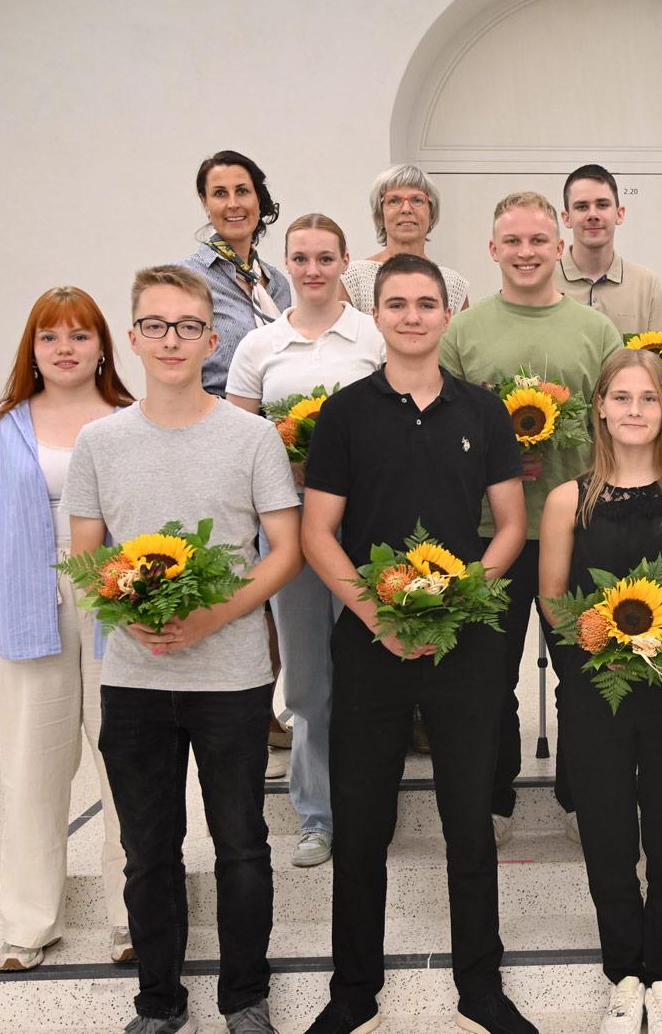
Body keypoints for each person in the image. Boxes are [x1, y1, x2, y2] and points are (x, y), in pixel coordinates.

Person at [300, 253, 535, 1034]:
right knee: (361, 819)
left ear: (446, 314)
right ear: (376, 313)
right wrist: (378, 614)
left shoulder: (482, 410)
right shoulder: (345, 412)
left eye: (425, 303)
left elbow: (509, 527)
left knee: (468, 817)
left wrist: (461, 601)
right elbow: (318, 532)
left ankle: (480, 985)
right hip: (371, 643)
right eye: (396, 302)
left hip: (463, 642)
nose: (411, 315)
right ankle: (353, 987)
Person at [64, 265, 303, 1034]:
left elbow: (284, 551)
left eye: (189, 326)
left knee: (240, 843)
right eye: (157, 325)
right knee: (148, 850)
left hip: (231, 676)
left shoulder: (252, 436)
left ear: (211, 339)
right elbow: (88, 555)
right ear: (132, 338)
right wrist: (128, 616)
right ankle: (160, 1002)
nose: (173, 340)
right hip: (134, 680)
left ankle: (245, 996)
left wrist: (209, 620)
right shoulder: (99, 443)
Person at [539, 349, 662, 1034]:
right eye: (622, 397)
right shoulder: (569, 499)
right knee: (610, 837)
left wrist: (661, 641)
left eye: (649, 399)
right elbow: (552, 596)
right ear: (601, 408)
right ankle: (624, 973)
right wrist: (602, 646)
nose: (635, 411)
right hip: (596, 691)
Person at [0, 287, 135, 972]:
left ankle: (135, 917)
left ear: (102, 346)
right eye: (50, 337)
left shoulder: (131, 419)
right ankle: (29, 925)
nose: (65, 348)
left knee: (129, 774)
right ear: (32, 349)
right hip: (22, 612)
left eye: (79, 335)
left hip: (117, 615)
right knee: (29, 774)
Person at [439, 191, 625, 846]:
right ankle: (494, 800)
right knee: (485, 680)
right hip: (490, 535)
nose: (525, 252)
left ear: (560, 246)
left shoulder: (596, 330)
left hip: (579, 531)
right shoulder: (462, 332)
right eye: (512, 242)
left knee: (585, 674)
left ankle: (583, 798)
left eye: (538, 241)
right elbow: (441, 432)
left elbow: (620, 428)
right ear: (493, 249)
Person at [226, 213, 386, 870]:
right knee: (308, 681)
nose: (313, 269)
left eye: (326, 257)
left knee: (370, 674)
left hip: (366, 527)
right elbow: (236, 444)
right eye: (302, 257)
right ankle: (316, 816)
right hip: (288, 529)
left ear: (344, 261)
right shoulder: (259, 347)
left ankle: (371, 805)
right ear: (286, 262)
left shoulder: (373, 337)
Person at [177, 150, 292, 395]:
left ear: (258, 200)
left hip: (280, 422)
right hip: (215, 419)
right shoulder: (185, 280)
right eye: (220, 193)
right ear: (205, 203)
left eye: (242, 191)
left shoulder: (279, 284)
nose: (233, 204)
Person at [552, 164, 662, 336]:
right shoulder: (546, 281)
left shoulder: (646, 284)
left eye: (602, 205)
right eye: (582, 207)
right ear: (566, 218)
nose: (592, 215)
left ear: (619, 214)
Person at [340, 164, 470, 315]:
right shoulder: (353, 279)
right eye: (394, 200)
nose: (406, 209)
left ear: (432, 214)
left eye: (417, 200)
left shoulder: (453, 285)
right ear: (380, 215)